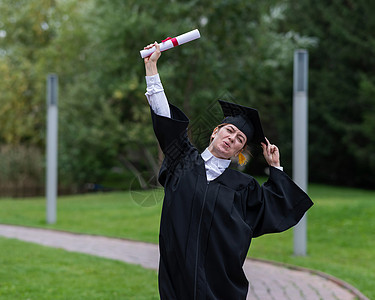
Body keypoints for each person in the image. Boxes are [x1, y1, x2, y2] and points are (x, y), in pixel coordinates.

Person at [143, 42, 313, 300]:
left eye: (240, 139)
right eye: (229, 131)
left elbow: (277, 207)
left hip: (219, 285)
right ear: (215, 132)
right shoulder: (184, 162)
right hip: (177, 277)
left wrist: (275, 168)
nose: (233, 138)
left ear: (239, 151)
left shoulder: (243, 186)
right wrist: (152, 68)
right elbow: (164, 118)